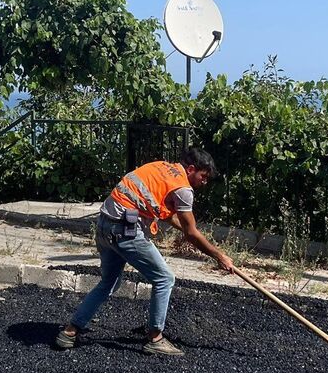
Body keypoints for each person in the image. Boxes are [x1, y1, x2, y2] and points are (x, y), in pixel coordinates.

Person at [55, 147, 235, 356]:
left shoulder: (161, 168)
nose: (204, 182)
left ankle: (69, 332)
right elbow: (191, 234)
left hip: (104, 226)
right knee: (164, 278)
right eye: (203, 176)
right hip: (125, 231)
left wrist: (188, 229)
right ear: (191, 169)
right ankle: (155, 338)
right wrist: (219, 256)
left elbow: (168, 215)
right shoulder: (183, 188)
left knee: (109, 282)